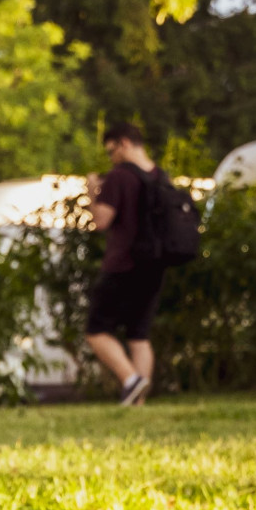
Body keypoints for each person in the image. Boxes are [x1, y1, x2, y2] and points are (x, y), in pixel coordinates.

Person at [86, 123, 164, 405]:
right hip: (155, 265)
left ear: (123, 143)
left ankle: (131, 380)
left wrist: (94, 192)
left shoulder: (120, 177)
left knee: (96, 330)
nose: (111, 158)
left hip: (123, 264)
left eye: (110, 151)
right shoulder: (159, 176)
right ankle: (137, 403)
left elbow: (101, 220)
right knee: (139, 336)